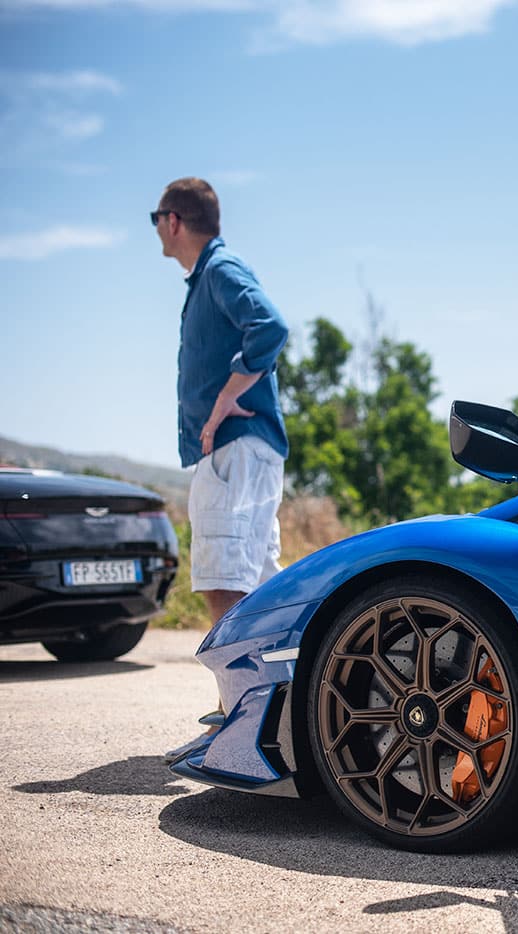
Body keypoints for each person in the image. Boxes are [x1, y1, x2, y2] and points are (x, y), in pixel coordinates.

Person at [155, 177, 290, 762]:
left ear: (175, 220)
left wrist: (224, 400)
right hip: (247, 451)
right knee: (259, 582)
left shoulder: (218, 269)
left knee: (223, 579)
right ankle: (273, 721)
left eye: (156, 217)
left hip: (234, 448)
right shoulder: (210, 274)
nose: (157, 227)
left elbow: (271, 327)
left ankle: (235, 725)